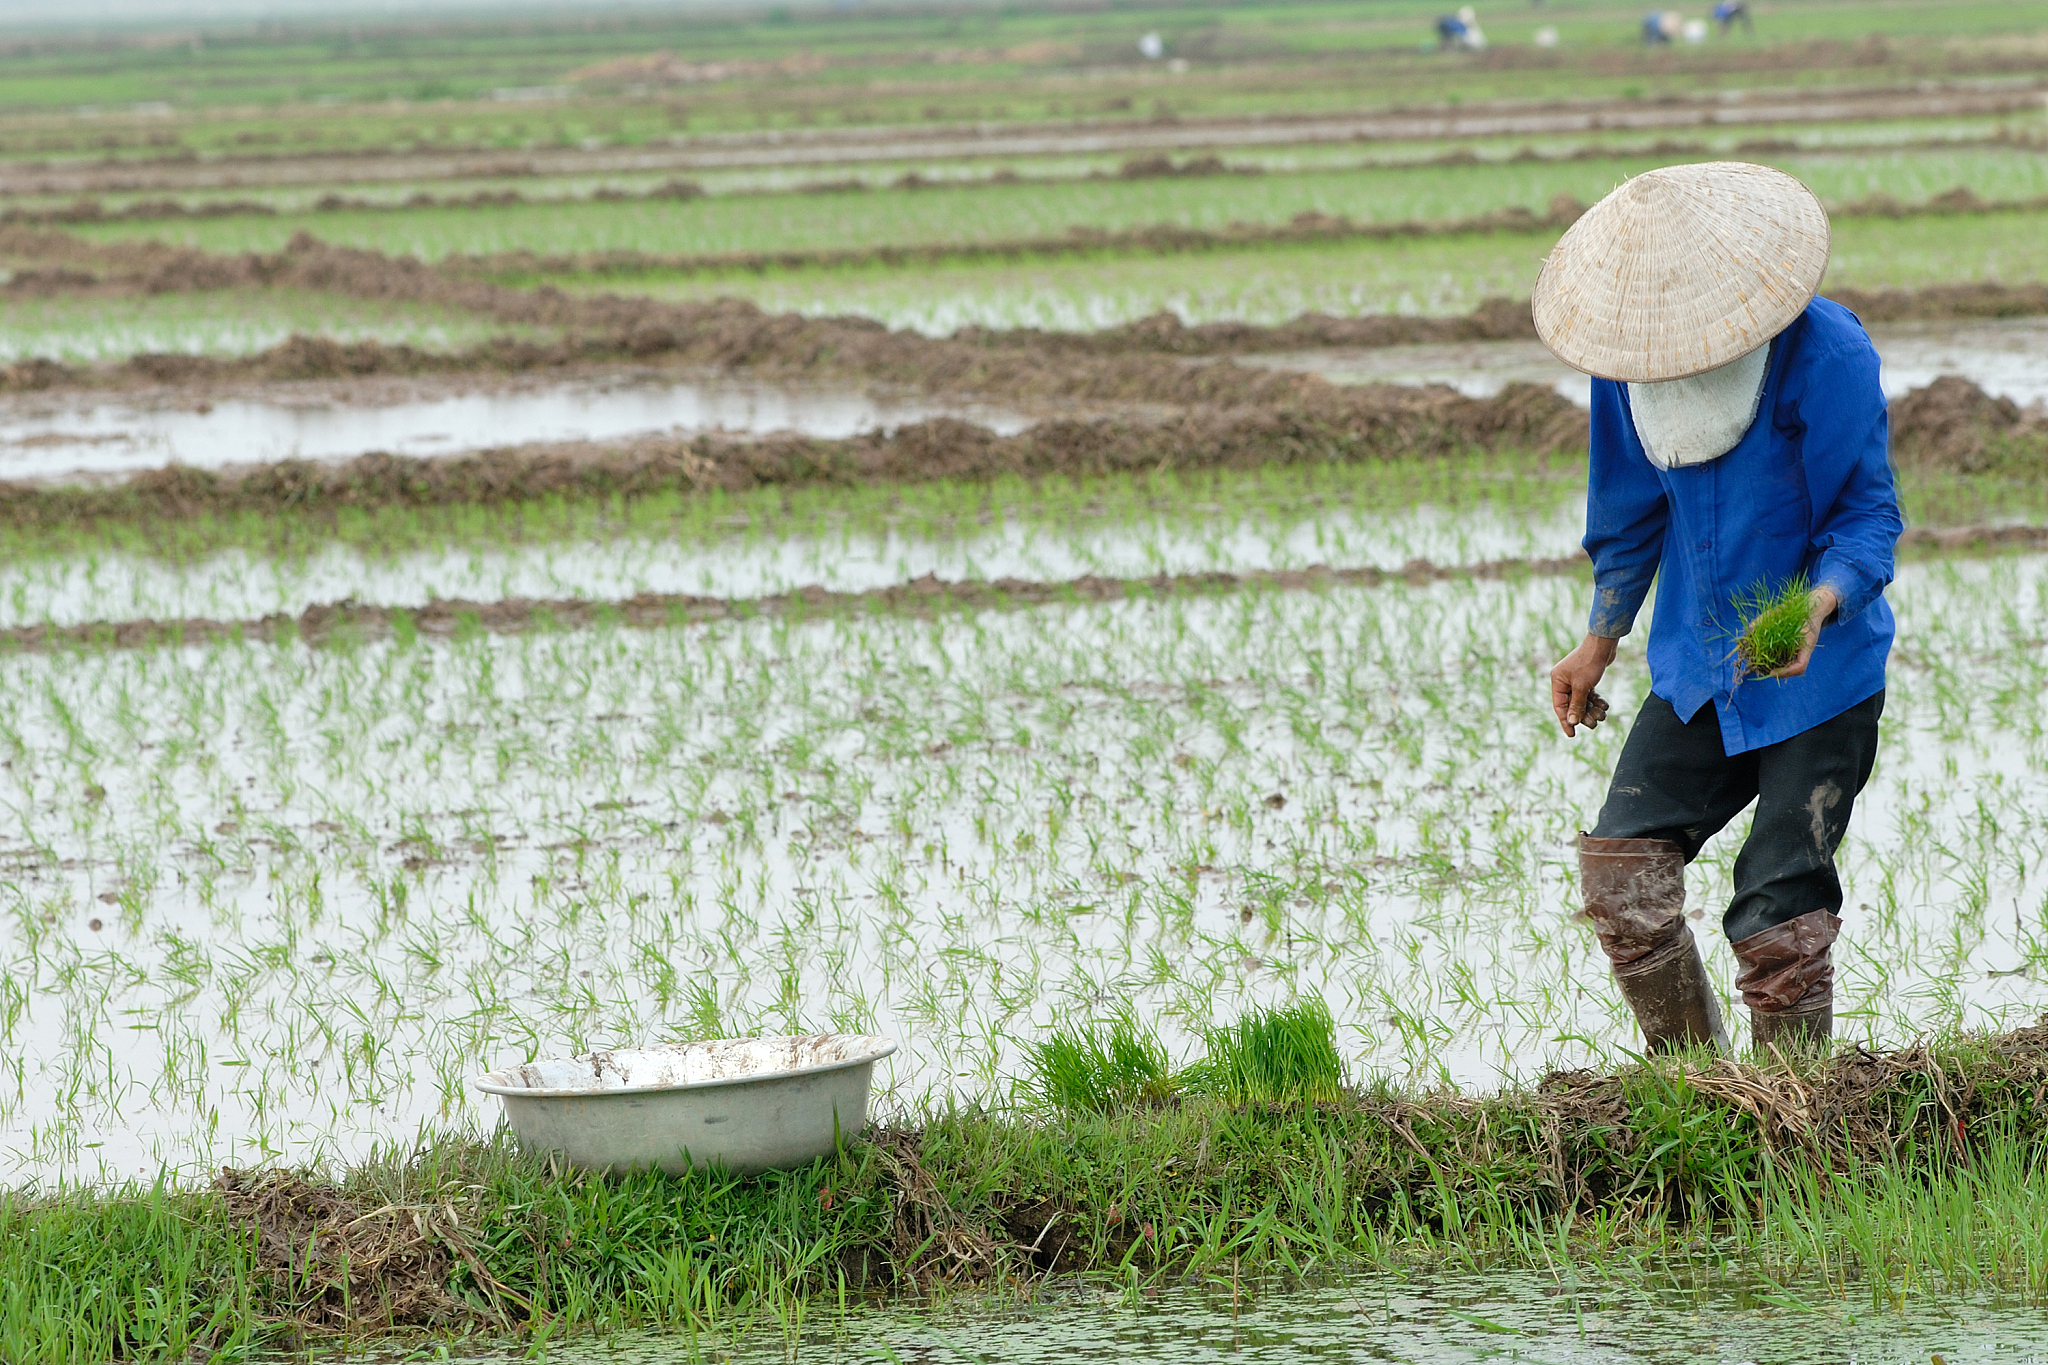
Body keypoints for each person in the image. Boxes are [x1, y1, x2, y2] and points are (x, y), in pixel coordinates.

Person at [1532, 162, 1901, 1056]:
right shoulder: (1630, 369)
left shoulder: (1826, 352)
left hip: (1822, 679)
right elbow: (1626, 509)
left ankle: (1792, 1106)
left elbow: (1868, 516)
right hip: (1701, 666)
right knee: (1620, 869)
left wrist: (1817, 607)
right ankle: (1698, 1088)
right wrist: (1599, 638)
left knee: (1777, 901)